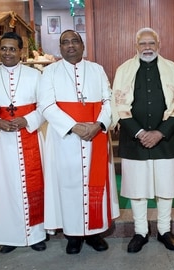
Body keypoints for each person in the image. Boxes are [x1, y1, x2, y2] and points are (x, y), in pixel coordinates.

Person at [38, 30, 119, 254]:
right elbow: (45, 105)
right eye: (65, 42)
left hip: (96, 136)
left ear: (83, 45)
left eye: (75, 41)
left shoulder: (96, 69)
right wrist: (73, 126)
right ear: (60, 48)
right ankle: (73, 235)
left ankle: (94, 232)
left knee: (95, 184)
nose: (70, 46)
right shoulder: (50, 72)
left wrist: (99, 125)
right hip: (65, 140)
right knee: (68, 185)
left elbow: (108, 99)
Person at [111, 27, 174, 253]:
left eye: (151, 44)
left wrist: (159, 132)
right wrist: (139, 132)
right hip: (133, 138)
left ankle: (164, 230)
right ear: (135, 46)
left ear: (159, 45)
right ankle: (140, 231)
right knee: (137, 188)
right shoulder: (123, 70)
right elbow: (118, 105)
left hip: (165, 138)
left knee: (165, 187)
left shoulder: (171, 68)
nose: (147, 48)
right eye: (143, 44)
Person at [0, 32, 46, 254]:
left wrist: (27, 120)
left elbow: (45, 107)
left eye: (12, 49)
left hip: (30, 137)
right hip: (2, 143)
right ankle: (9, 236)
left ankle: (37, 234)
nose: (7, 53)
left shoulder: (35, 76)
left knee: (35, 184)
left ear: (21, 51)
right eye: (3, 48)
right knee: (5, 188)